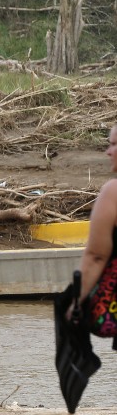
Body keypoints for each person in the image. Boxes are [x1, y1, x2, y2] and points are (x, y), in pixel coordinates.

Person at [79, 124, 117, 304]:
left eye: (114, 144)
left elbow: (96, 256)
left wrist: (75, 303)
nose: (108, 152)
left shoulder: (113, 193)